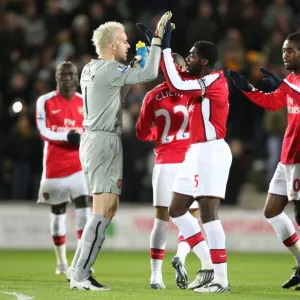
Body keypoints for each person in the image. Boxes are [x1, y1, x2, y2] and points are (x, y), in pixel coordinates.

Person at [68, 12, 173, 291]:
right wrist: (157, 42)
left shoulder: (91, 68)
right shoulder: (110, 70)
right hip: (103, 142)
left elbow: (119, 92)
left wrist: (136, 62)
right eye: (125, 41)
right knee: (103, 210)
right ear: (112, 44)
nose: (128, 45)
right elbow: (151, 74)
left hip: (96, 140)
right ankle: (81, 274)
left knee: (107, 209)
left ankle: (76, 266)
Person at [158, 21, 232, 293]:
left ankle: (221, 281)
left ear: (204, 60)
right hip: (195, 152)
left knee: (209, 214)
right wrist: (157, 47)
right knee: (176, 209)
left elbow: (176, 81)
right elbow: (175, 79)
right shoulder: (199, 80)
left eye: (190, 55)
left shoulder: (214, 79)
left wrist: (166, 47)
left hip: (211, 150)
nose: (186, 58)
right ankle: (207, 265)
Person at [228, 32, 300, 290]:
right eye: (283, 50)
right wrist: (248, 88)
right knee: (271, 211)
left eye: (290, 50)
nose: (285, 54)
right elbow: (273, 102)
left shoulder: (293, 83)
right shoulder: (291, 80)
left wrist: (285, 84)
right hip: (287, 157)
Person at [136, 53, 213, 290]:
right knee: (190, 217)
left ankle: (155, 276)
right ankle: (184, 255)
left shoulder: (152, 96)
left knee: (161, 222)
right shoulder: (194, 92)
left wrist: (158, 136)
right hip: (190, 161)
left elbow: (141, 132)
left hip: (165, 162)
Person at [36, 61, 91, 275]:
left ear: (76, 78)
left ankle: (81, 260)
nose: (66, 78)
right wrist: (67, 137)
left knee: (83, 208)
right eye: (62, 74)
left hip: (79, 165)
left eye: (70, 75)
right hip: (54, 166)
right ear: (56, 77)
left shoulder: (85, 101)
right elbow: (43, 131)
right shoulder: (45, 101)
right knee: (57, 212)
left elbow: (91, 129)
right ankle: (61, 262)